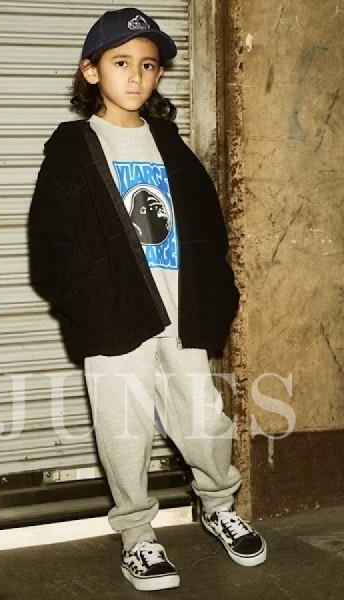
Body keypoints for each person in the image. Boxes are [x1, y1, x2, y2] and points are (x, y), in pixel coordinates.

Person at [28, 7, 267, 592]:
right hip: (114, 316)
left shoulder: (170, 145)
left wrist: (218, 293)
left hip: (180, 313)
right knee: (124, 430)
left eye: (148, 65)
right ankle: (138, 536)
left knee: (203, 419)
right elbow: (50, 243)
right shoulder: (74, 148)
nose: (136, 76)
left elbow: (207, 227)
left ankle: (218, 506)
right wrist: (87, 304)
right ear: (91, 71)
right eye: (120, 63)